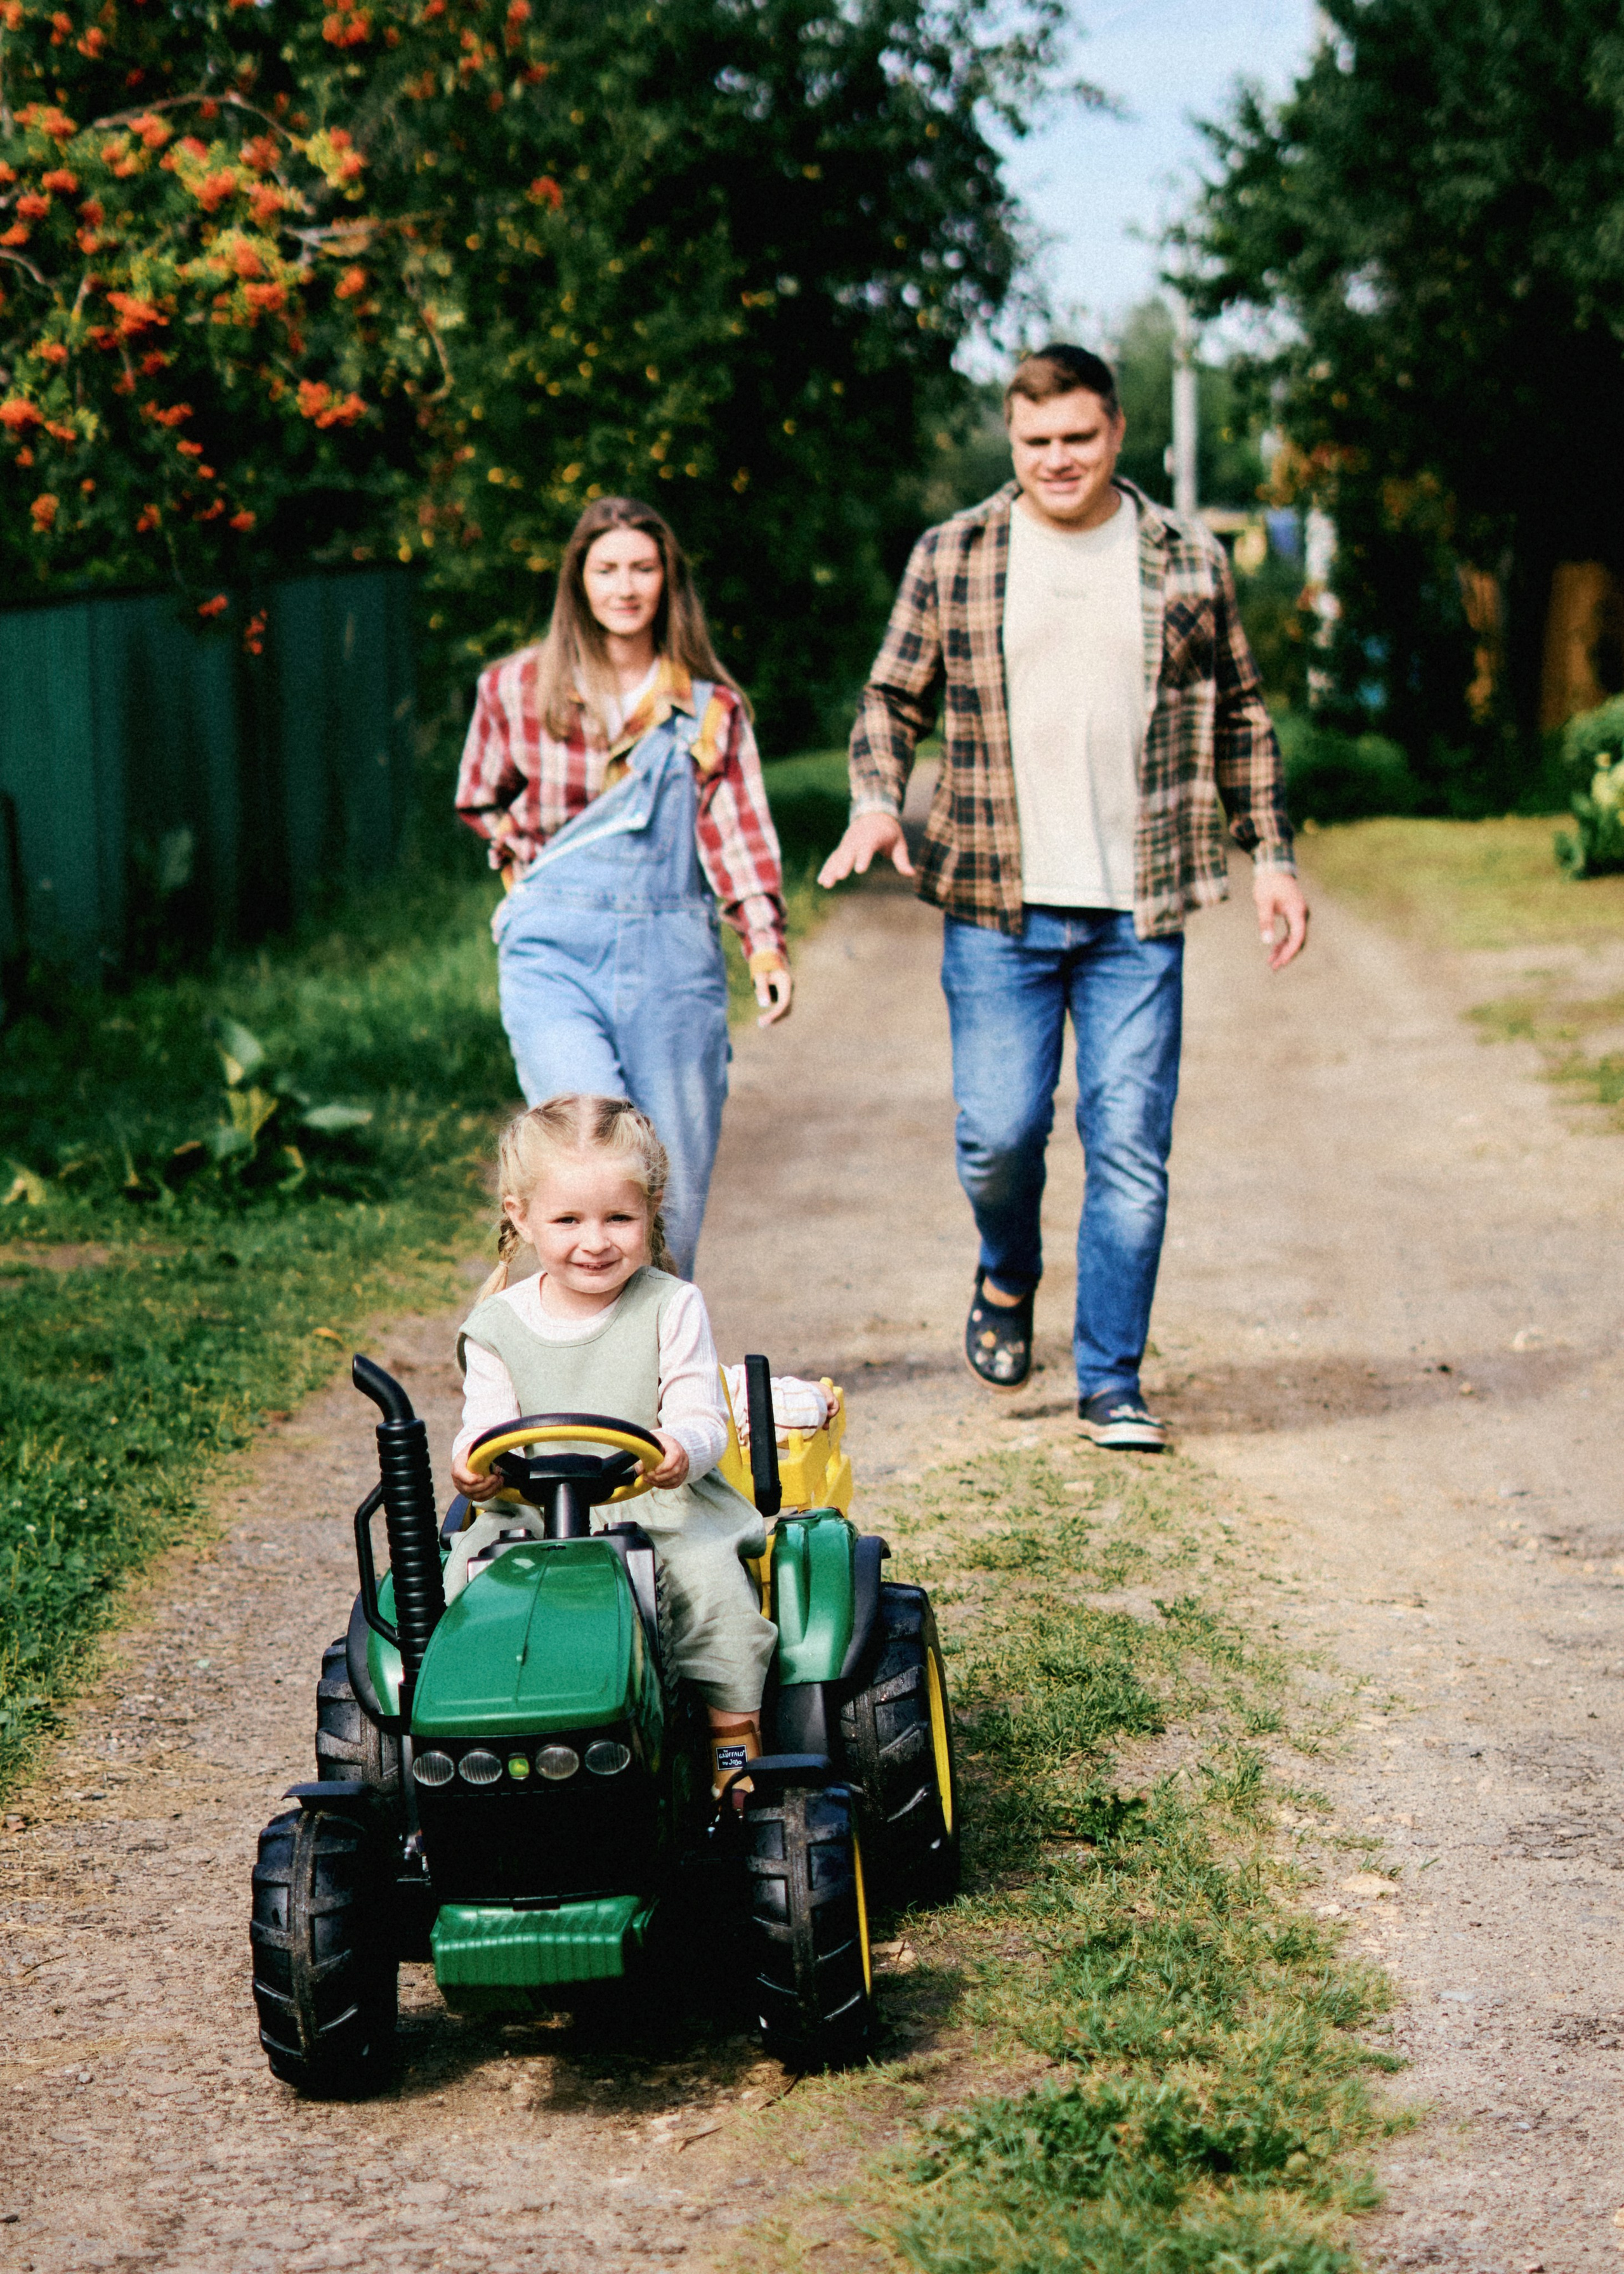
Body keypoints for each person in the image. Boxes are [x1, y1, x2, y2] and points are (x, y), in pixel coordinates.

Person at [818, 343, 1309, 1452]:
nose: (1057, 459)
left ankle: (1112, 1380)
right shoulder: (955, 553)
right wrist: (877, 802)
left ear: (1117, 433)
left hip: (1141, 909)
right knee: (999, 1134)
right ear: (1012, 438)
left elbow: (1242, 716)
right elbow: (892, 697)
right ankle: (1008, 1271)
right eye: (1036, 441)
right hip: (998, 902)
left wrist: (1273, 856)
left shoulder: (1187, 558)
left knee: (1129, 1144)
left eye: (1078, 437)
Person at [454, 497, 792, 1278]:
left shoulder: (709, 710)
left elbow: (737, 834)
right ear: (578, 580)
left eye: (643, 568)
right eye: (606, 569)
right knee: (589, 1160)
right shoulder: (515, 687)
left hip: (674, 960)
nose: (625, 586)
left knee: (667, 1194)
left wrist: (765, 946)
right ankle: (572, 1340)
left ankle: (658, 1349)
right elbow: (479, 796)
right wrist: (527, 868)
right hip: (553, 956)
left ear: (668, 580)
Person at [449, 1093, 775, 1798]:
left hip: (657, 1508)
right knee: (459, 1597)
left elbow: (701, 1413)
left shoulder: (670, 1305)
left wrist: (680, 1446)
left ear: (650, 1211)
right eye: (568, 1220)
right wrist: (474, 1465)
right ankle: (468, 1752)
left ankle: (733, 1738)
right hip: (531, 1518)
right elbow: (484, 1424)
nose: (595, 1241)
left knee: (712, 1589)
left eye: (618, 1219)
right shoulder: (497, 1324)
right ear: (521, 1217)